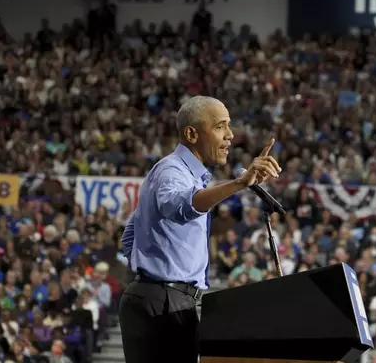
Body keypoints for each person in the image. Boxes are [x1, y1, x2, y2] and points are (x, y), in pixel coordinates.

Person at [118, 95, 281, 363]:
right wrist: (240, 183)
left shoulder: (186, 175)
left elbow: (130, 237)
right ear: (192, 133)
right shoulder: (172, 171)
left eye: (228, 126)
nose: (230, 135)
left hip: (159, 297)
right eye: (220, 126)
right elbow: (181, 206)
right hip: (164, 302)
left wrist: (148, 277)